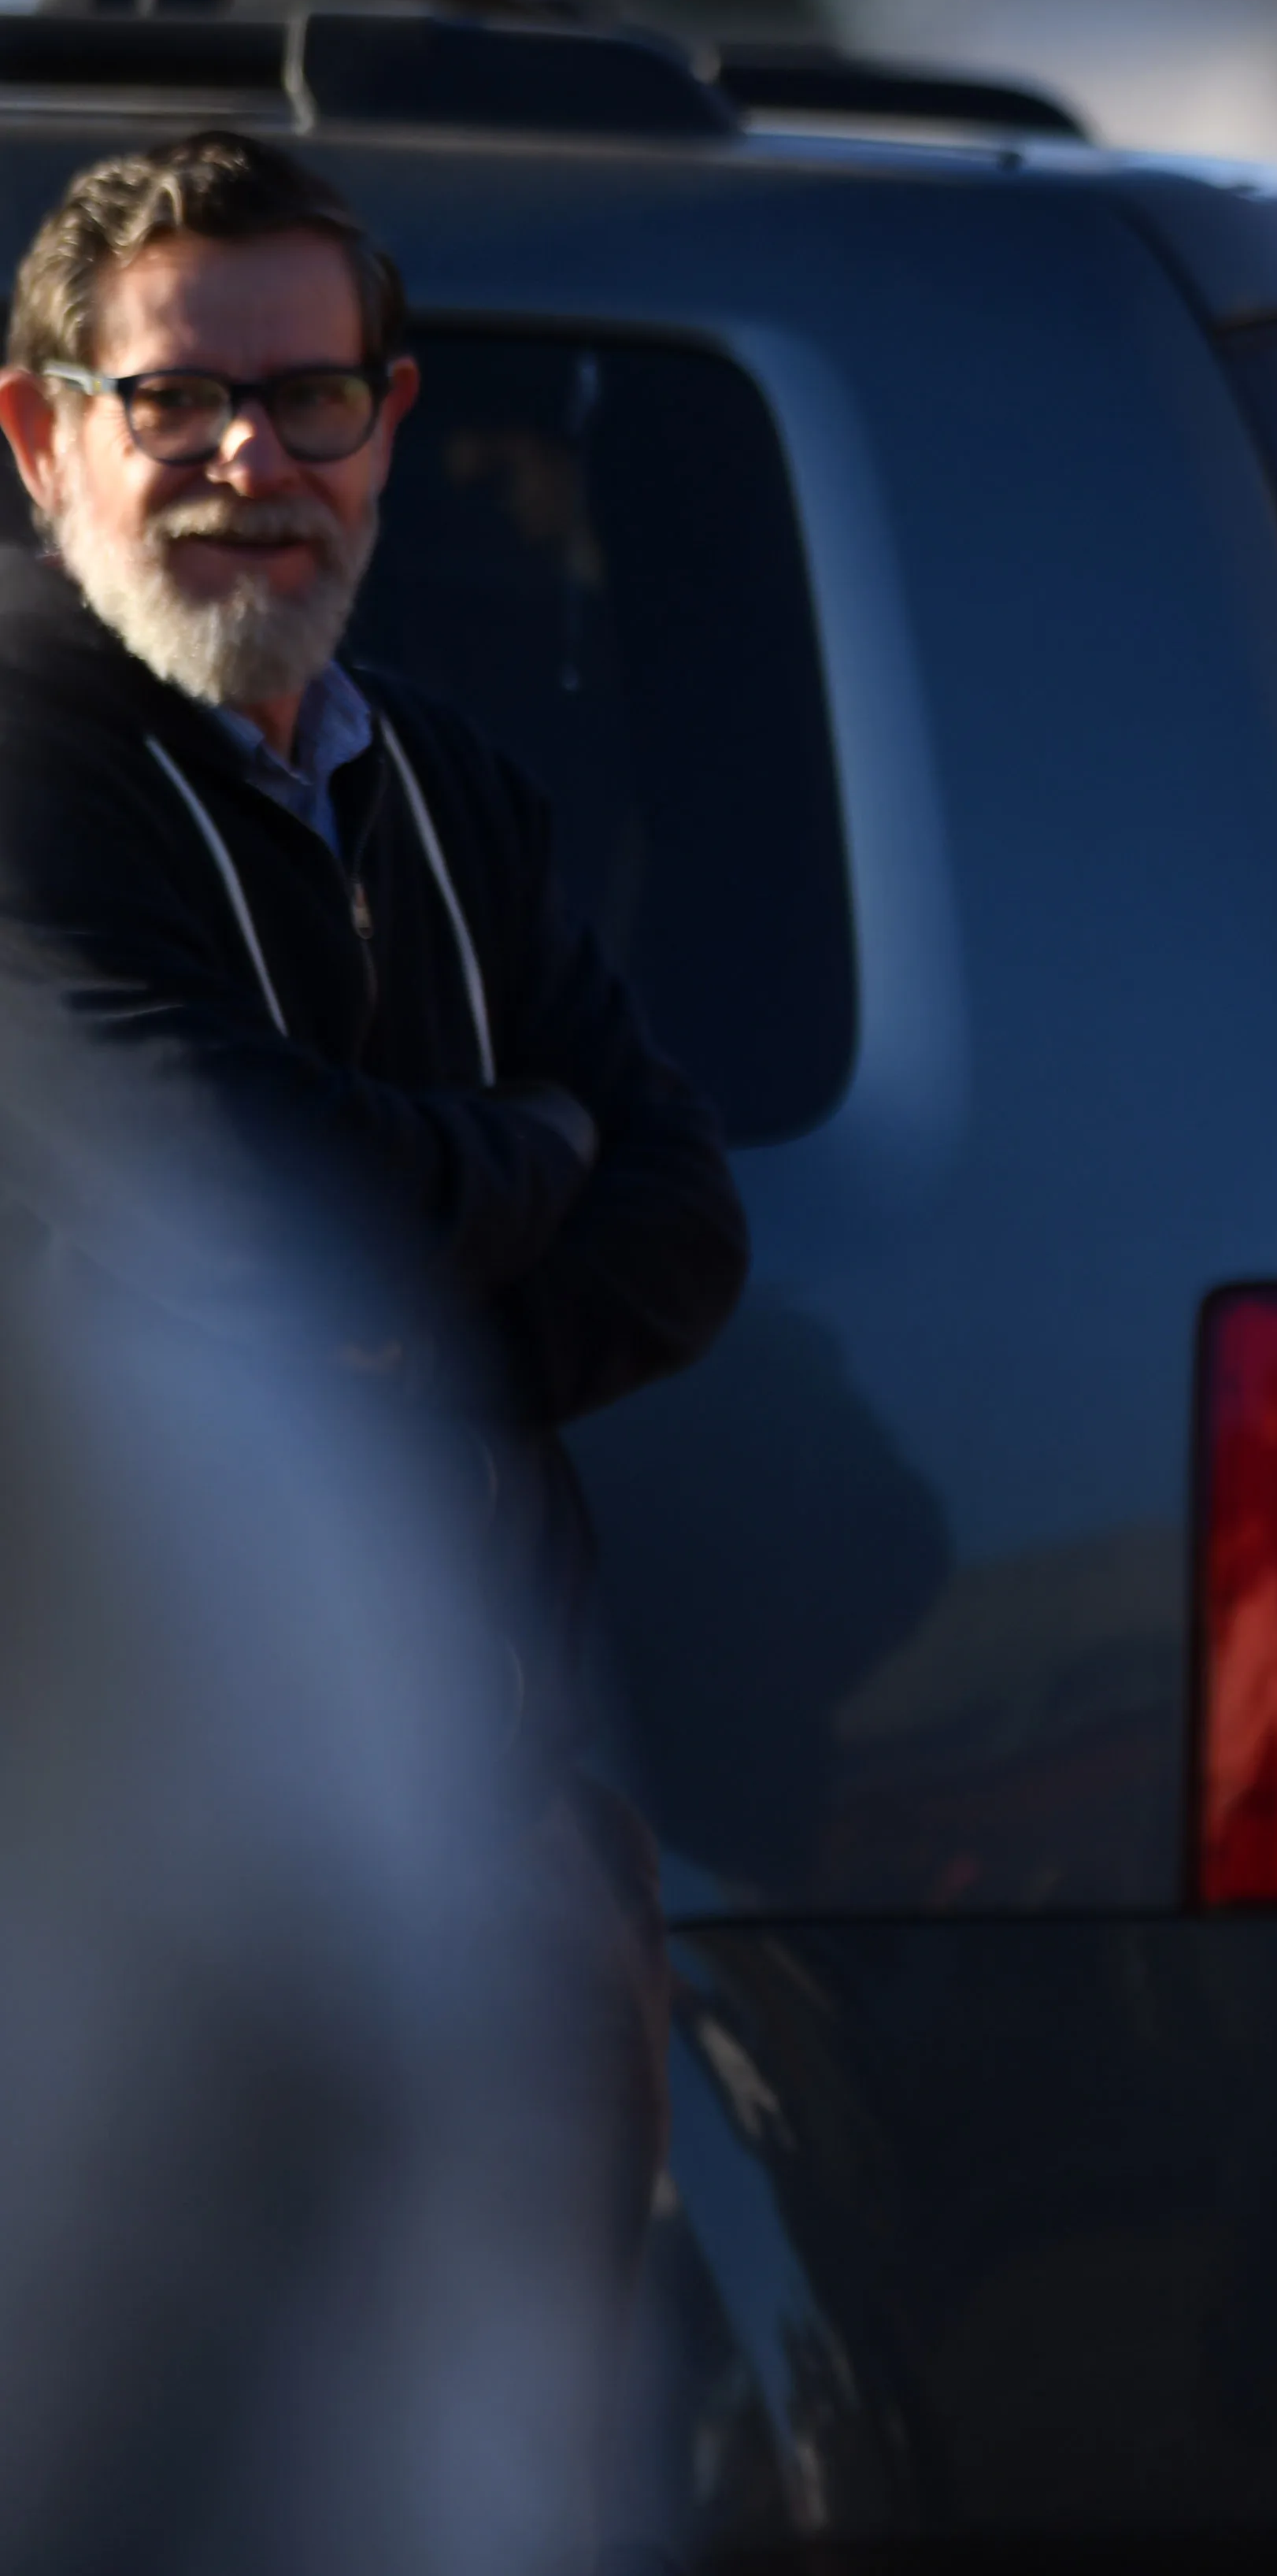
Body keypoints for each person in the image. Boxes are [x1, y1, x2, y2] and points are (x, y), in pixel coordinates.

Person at [0, 130, 747, 2549]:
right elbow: (239, 1197)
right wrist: (512, 1158)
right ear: (40, 434)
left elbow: (688, 1235)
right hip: (95, 1862)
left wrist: (403, 1232)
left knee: (471, 2459)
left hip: (491, 1810)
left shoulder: (458, 795)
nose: (249, 462)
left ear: (395, 423)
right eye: (176, 401)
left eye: (309, 400)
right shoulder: (24, 777)